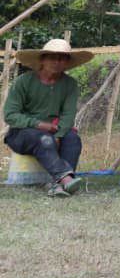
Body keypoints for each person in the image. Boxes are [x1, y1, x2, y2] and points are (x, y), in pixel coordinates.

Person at [4, 39, 93, 197]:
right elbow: (10, 115)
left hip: (54, 131)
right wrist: (38, 124)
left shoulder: (69, 84)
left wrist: (59, 135)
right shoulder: (23, 82)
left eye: (62, 58)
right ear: (42, 59)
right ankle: (66, 179)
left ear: (67, 63)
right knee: (44, 139)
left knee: (73, 139)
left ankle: (58, 186)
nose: (57, 62)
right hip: (21, 133)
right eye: (52, 57)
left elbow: (68, 115)